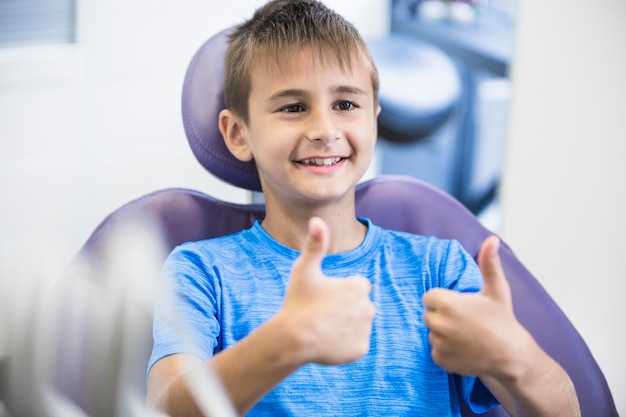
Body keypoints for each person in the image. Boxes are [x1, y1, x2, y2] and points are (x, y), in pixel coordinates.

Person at [146, 1, 580, 416]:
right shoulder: (201, 271)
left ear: (373, 118)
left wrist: (517, 358)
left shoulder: (438, 269)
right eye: (293, 107)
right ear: (238, 133)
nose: (324, 129)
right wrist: (283, 342)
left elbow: (565, 410)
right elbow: (166, 408)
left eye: (346, 105)